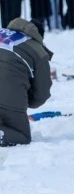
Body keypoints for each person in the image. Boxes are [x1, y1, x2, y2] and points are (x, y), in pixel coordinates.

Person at [0, 18, 52, 146]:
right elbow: (41, 94)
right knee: (22, 136)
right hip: (8, 98)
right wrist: (25, 100)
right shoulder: (37, 49)